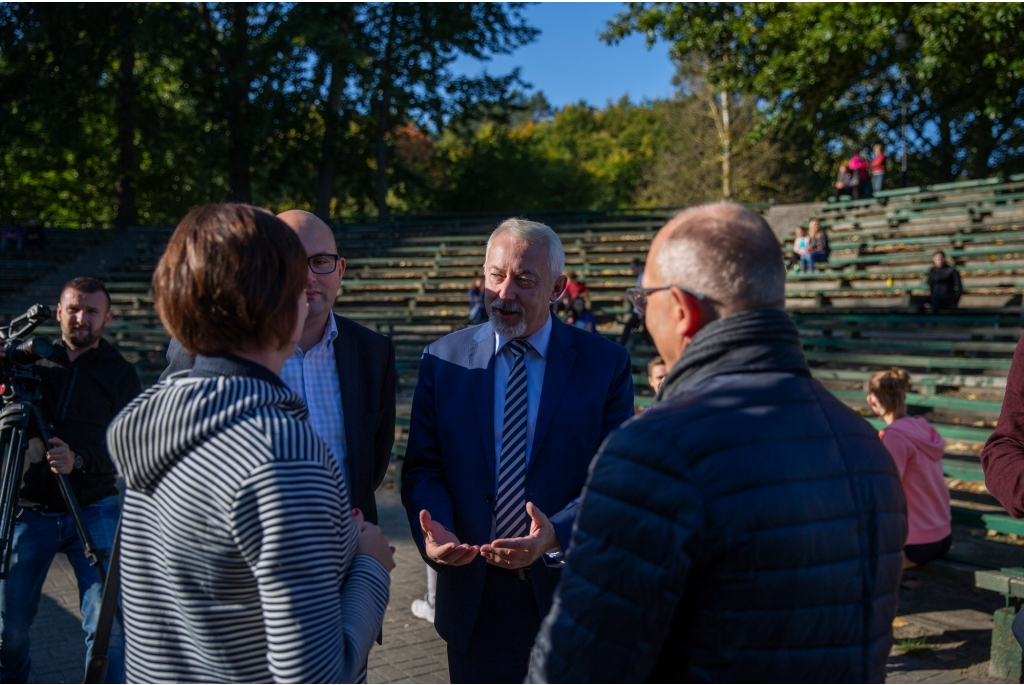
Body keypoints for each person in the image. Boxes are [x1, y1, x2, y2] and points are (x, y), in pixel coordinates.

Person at [528, 203, 906, 683]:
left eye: (644, 299)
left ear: (682, 310)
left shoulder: (656, 452)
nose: (642, 315)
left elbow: (575, 669)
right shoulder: (866, 446)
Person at [106, 204, 394, 683]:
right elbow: (315, 677)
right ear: (280, 303)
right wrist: (370, 565)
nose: (308, 288)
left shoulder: (152, 420)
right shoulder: (282, 450)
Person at [401, 218, 634, 683]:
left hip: (570, 594)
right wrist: (436, 530)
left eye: (525, 280)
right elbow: (425, 466)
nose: (505, 293)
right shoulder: (442, 360)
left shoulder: (604, 364)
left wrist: (556, 533)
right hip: (474, 596)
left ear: (557, 288)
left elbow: (616, 477)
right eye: (495, 275)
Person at [160, 210, 396, 526]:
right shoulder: (207, 348)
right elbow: (170, 449)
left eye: (321, 261)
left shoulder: (373, 352)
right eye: (291, 262)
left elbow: (373, 464)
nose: (307, 276)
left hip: (348, 546)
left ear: (340, 270)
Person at [0, 277, 141, 683]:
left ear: (108, 318)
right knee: (7, 632)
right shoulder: (26, 359)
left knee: (107, 630)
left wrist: (78, 461)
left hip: (94, 505)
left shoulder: (121, 375)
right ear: (59, 312)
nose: (81, 318)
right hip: (27, 508)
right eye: (74, 309)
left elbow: (127, 451)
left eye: (91, 311)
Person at [866, 368, 951, 568]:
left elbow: (884, 491)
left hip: (916, 542)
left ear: (872, 400)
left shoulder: (893, 437)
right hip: (943, 535)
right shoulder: (923, 427)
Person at [617, 259, 650, 346]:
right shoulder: (641, 277)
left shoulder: (644, 277)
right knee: (643, 331)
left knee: (633, 328)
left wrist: (641, 310)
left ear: (639, 266)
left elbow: (643, 296)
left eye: (633, 267)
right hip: (641, 309)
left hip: (642, 309)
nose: (632, 270)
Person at [918, 250, 962, 315]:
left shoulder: (951, 271)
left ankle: (934, 321)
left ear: (944, 259)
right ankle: (920, 321)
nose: (939, 260)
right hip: (935, 297)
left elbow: (958, 287)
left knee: (935, 299)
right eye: (937, 259)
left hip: (947, 297)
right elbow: (930, 285)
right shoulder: (932, 271)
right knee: (920, 299)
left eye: (941, 258)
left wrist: (955, 301)